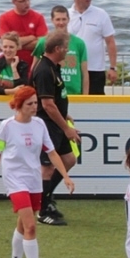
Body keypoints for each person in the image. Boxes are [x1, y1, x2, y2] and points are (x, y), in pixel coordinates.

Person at [0, 86, 75, 258]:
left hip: (34, 180)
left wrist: (66, 176)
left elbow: (51, 153)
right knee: (31, 226)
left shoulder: (40, 124)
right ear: (19, 105)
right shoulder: (7, 126)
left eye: (36, 103)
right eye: (30, 104)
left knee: (23, 225)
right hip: (15, 180)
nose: (35, 107)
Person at [29, 31, 80, 225]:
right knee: (47, 168)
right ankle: (42, 211)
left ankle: (47, 198)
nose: (67, 51)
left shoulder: (53, 67)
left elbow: (53, 98)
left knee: (68, 159)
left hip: (55, 124)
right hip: (46, 125)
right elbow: (47, 105)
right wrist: (66, 128)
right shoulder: (43, 70)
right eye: (66, 47)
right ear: (57, 49)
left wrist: (65, 115)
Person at [68, 0, 117, 95]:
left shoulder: (101, 14)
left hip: (95, 69)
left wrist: (113, 67)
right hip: (73, 69)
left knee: (96, 102)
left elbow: (110, 41)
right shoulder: (67, 15)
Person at [32, 6, 89, 95]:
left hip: (74, 93)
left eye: (64, 19)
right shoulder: (43, 42)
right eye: (58, 19)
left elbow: (84, 73)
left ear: (68, 20)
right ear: (52, 20)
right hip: (51, 92)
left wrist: (85, 97)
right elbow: (34, 68)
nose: (61, 23)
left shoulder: (79, 43)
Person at [0, 0, 48, 70]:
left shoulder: (38, 17)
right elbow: (5, 42)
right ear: (14, 2)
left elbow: (41, 44)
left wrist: (15, 44)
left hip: (34, 65)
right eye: (22, 1)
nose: (27, 3)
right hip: (12, 66)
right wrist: (31, 37)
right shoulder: (4, 18)